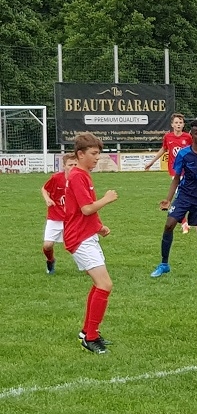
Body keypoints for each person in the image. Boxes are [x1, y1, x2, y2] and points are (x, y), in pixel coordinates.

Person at [64, 133, 118, 354]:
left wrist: (99, 227)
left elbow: (83, 210)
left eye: (98, 153)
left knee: (100, 284)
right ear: (80, 154)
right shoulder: (77, 175)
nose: (97, 158)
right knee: (105, 285)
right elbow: (87, 208)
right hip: (79, 238)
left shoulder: (83, 175)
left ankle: (87, 332)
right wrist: (106, 198)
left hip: (87, 235)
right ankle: (90, 337)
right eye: (94, 154)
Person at [150, 119, 197, 278]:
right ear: (191, 135)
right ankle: (164, 264)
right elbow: (176, 178)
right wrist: (168, 199)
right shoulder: (183, 154)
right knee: (169, 225)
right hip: (184, 196)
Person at [145, 113, 193, 233]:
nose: (178, 124)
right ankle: (184, 223)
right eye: (176, 122)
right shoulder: (168, 137)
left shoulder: (188, 137)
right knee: (180, 196)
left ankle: (191, 220)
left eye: (180, 122)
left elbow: (194, 151)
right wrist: (151, 162)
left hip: (188, 170)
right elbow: (163, 149)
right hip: (175, 171)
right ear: (172, 124)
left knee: (188, 196)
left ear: (183, 125)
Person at [41, 153, 77, 274]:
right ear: (64, 166)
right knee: (47, 245)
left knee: (79, 244)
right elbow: (44, 188)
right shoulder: (56, 178)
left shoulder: (81, 178)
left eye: (75, 164)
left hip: (72, 218)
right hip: (55, 217)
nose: (72, 167)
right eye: (70, 164)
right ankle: (50, 260)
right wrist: (47, 199)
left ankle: (91, 266)